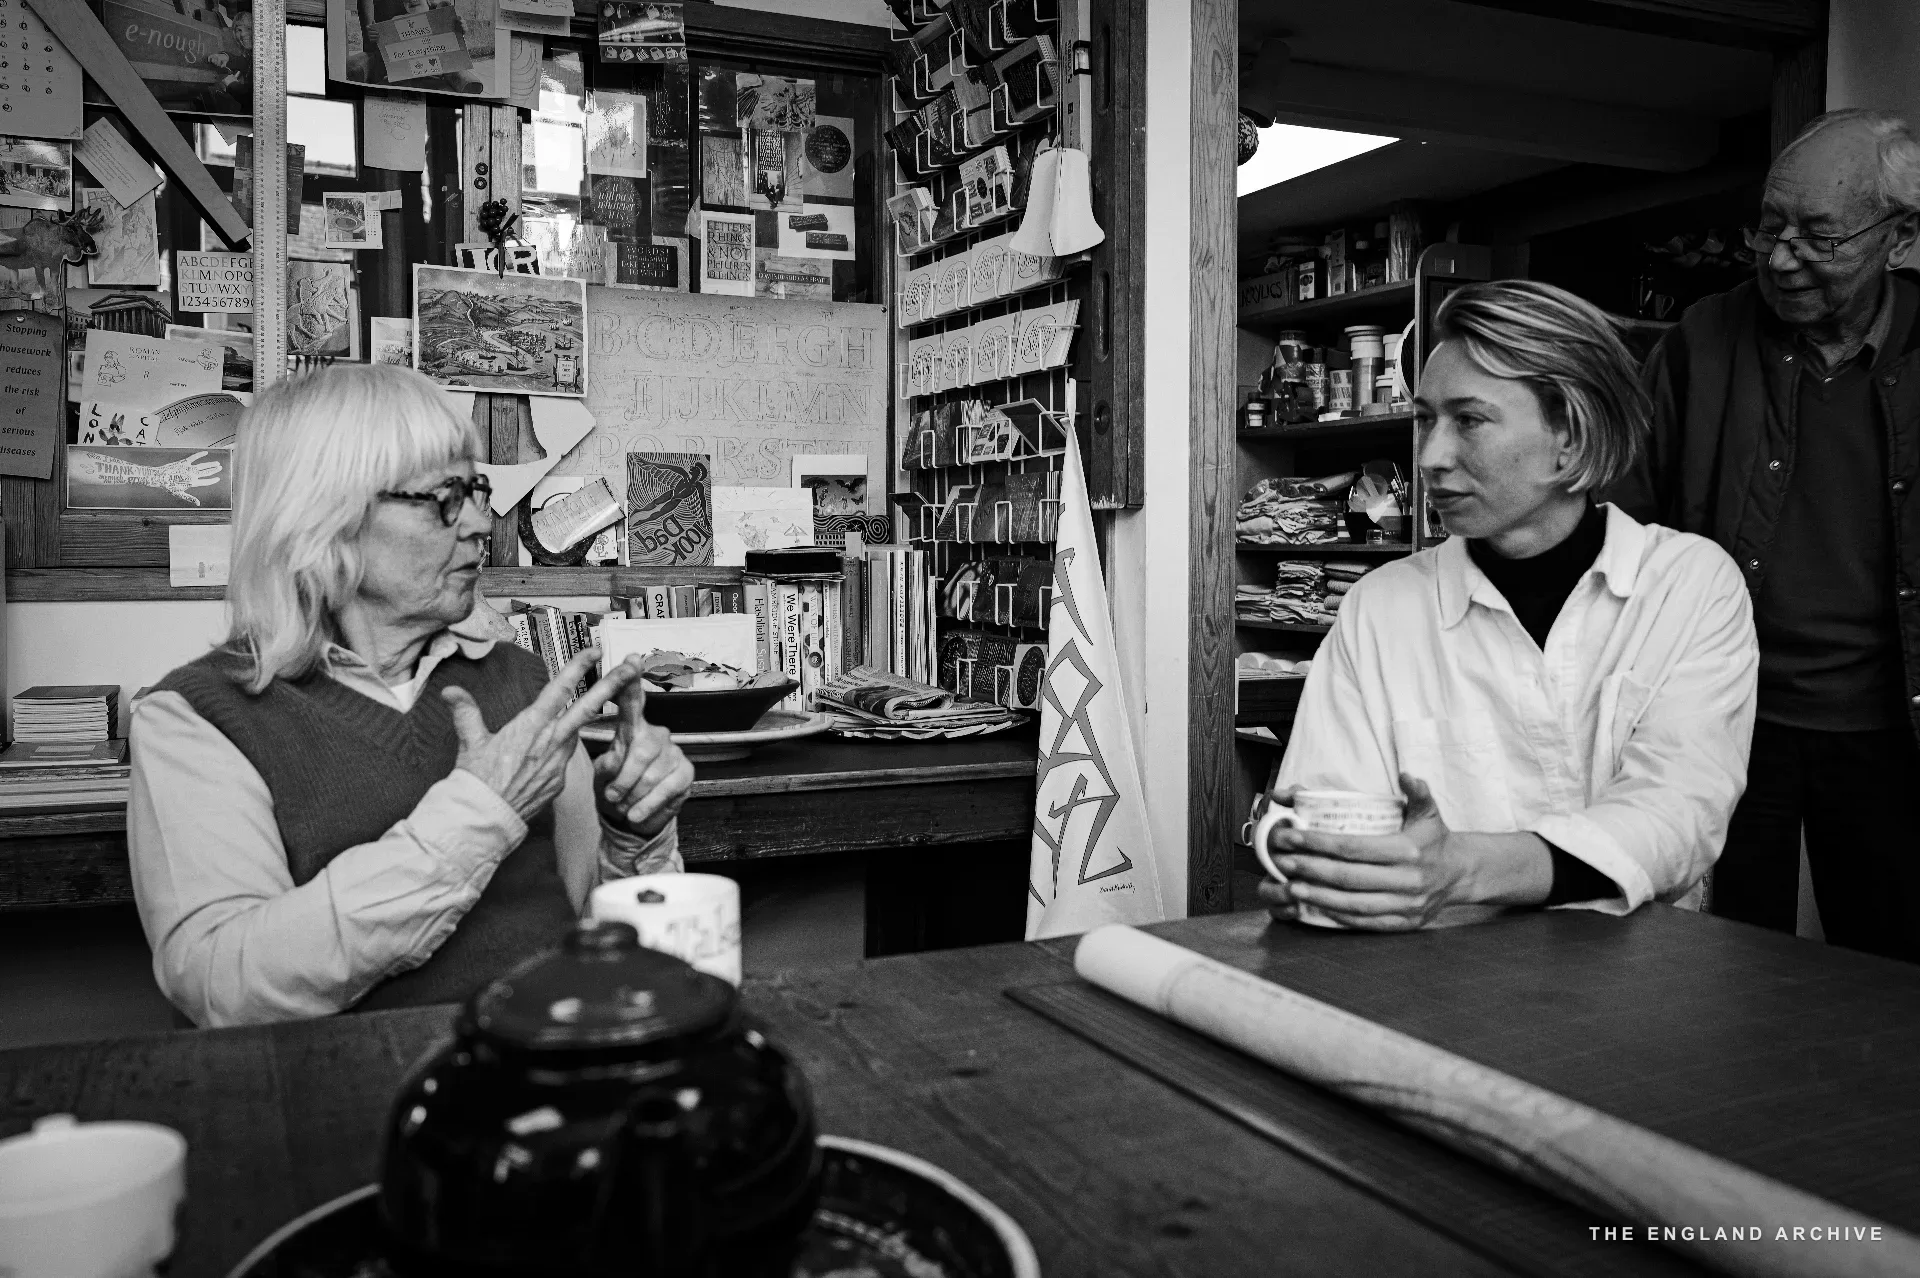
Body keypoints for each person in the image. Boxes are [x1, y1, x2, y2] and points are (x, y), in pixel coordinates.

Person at [130, 365, 694, 1026]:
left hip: (551, 1080)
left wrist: (635, 843)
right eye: (443, 496)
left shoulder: (519, 681)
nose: (483, 522)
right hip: (354, 1105)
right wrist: (481, 813)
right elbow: (225, 988)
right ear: (326, 517)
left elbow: (612, 956)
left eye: (476, 489)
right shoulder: (195, 718)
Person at [1257, 280, 1758, 931]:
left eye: (1469, 420)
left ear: (1569, 436)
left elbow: (1675, 817)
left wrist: (1462, 870)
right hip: (1432, 978)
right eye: (1424, 420)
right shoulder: (1381, 608)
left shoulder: (1687, 586)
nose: (1431, 457)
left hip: (1637, 974)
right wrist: (1321, 869)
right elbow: (1336, 819)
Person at [1606, 109, 1920, 963]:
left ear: (1900, 239)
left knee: (1889, 967)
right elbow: (1624, 521)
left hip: (1894, 729)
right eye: (1770, 227)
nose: (1781, 257)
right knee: (1720, 961)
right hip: (1728, 714)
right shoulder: (1705, 337)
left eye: (1818, 235)